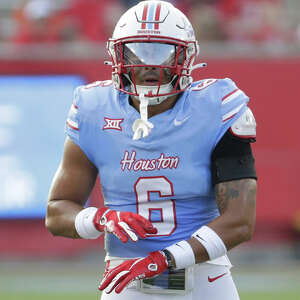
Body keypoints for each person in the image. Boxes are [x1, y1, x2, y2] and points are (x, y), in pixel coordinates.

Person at [45, 1, 257, 299]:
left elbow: (240, 222)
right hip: (126, 276)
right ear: (117, 54)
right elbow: (57, 212)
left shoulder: (217, 107)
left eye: (162, 51)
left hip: (205, 275)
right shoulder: (93, 109)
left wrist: (164, 259)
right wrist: (100, 219)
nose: (147, 64)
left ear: (187, 56)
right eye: (137, 51)